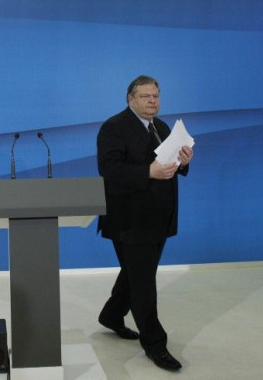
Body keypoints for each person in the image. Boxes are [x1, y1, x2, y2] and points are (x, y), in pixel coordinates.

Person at [96, 75, 194, 372]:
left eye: (156, 95)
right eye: (146, 96)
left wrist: (184, 161)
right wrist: (147, 172)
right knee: (143, 282)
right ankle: (156, 344)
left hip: (159, 218)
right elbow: (109, 171)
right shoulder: (114, 127)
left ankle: (112, 316)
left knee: (135, 272)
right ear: (131, 99)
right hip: (130, 219)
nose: (153, 101)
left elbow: (169, 167)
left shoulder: (163, 128)